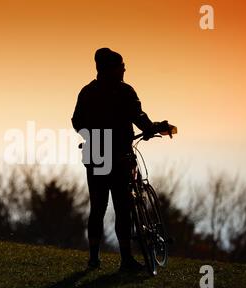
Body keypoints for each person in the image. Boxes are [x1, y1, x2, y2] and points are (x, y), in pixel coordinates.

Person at [71, 48, 173, 272]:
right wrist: (150, 128)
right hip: (119, 156)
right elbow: (138, 115)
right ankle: (126, 259)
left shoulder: (87, 92)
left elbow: (77, 121)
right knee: (123, 207)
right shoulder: (124, 91)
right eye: (121, 65)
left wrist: (93, 137)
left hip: (95, 156)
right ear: (110, 69)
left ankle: (94, 258)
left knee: (97, 207)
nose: (124, 69)